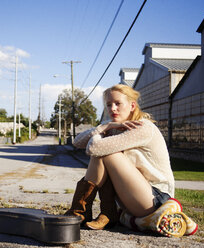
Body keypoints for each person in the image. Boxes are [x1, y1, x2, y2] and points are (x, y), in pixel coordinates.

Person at [65, 84, 174, 230]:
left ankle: (86, 211)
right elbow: (77, 142)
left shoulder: (142, 127)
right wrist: (103, 128)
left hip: (155, 200)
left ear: (132, 105)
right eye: (109, 105)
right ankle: (85, 212)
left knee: (107, 152)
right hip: (131, 198)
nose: (112, 109)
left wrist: (100, 132)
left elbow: (93, 147)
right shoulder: (112, 125)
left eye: (118, 103)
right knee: (102, 152)